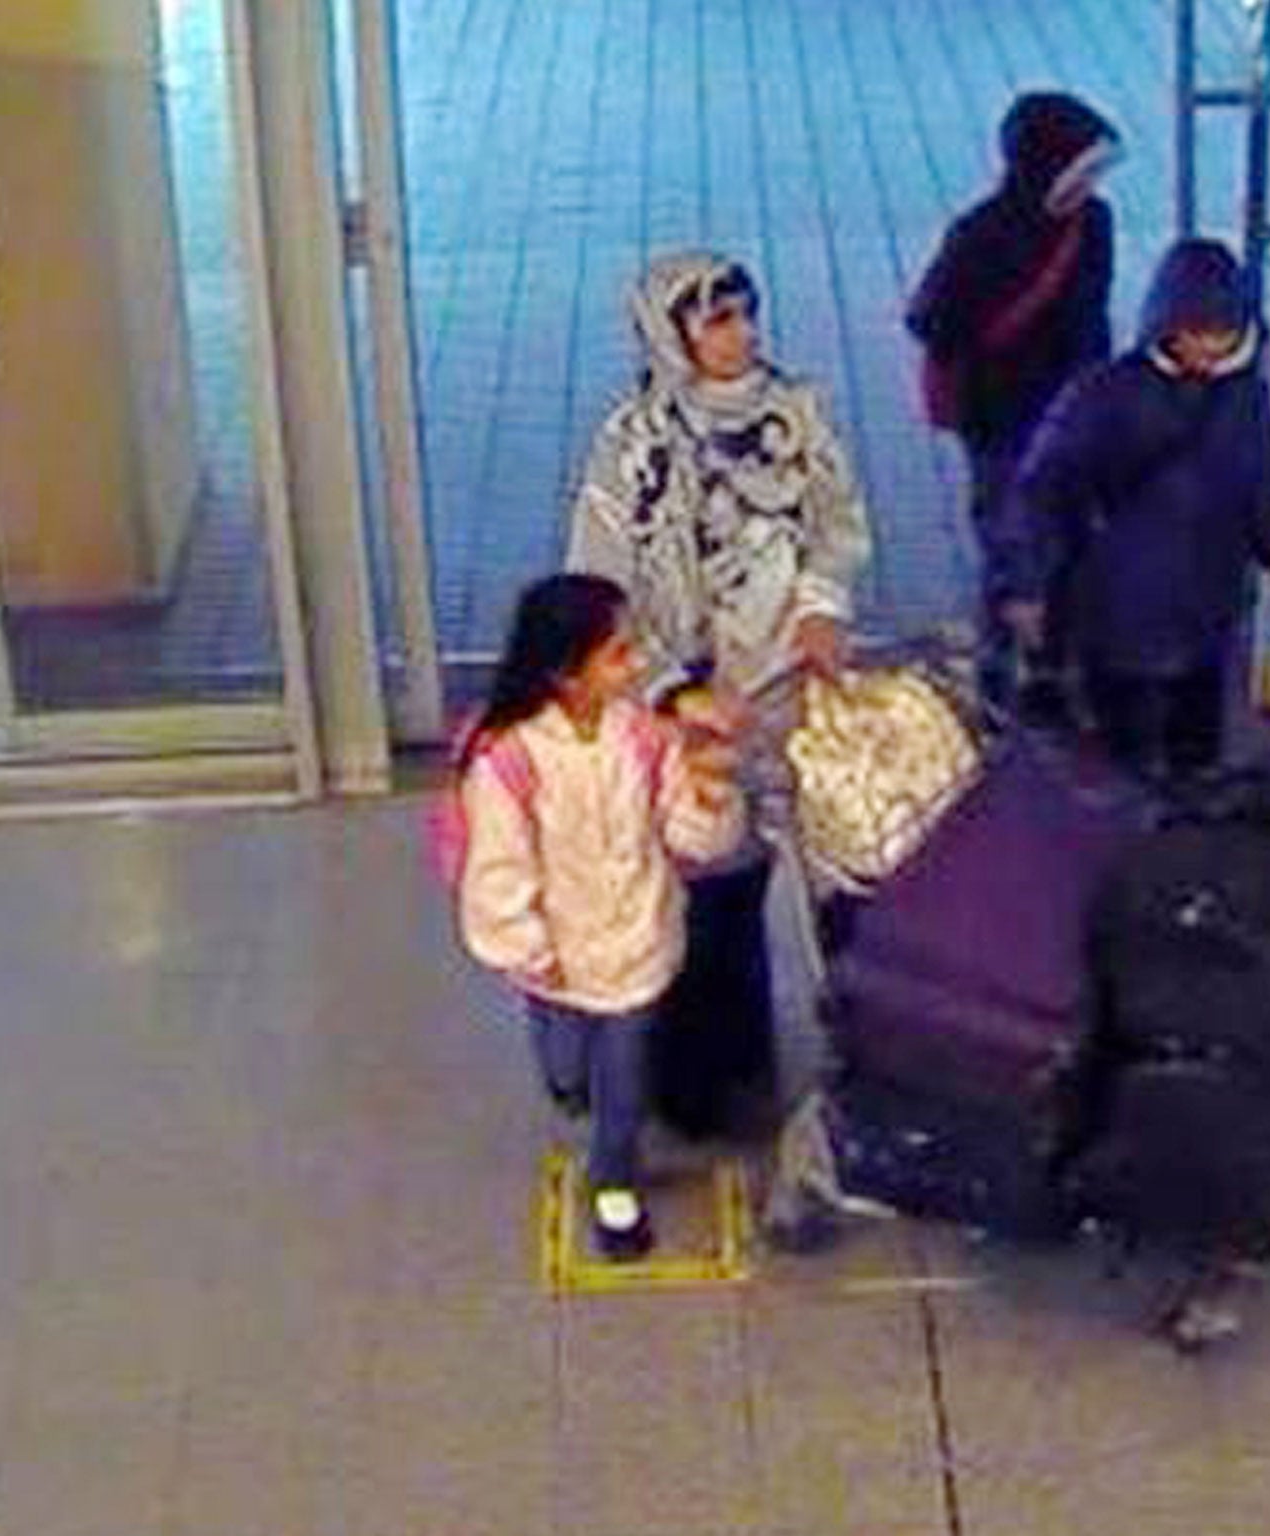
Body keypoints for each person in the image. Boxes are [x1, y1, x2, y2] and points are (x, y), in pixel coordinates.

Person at [565, 251, 873, 1125]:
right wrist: (666, 689)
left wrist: (820, 607)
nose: (741, 335)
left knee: (827, 871)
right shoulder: (632, 443)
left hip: (780, 684)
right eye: (716, 321)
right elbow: (598, 581)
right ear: (674, 335)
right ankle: (702, 1083)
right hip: (687, 712)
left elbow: (837, 523)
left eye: (745, 314)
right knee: (707, 887)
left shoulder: (794, 415)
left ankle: (857, 1061)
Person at [456, 573, 747, 1260]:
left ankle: (614, 1173)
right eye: (618, 653)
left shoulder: (645, 740)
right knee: (566, 1069)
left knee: (625, 1075)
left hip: (638, 944)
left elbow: (691, 837)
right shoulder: (509, 762)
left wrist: (709, 796)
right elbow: (500, 870)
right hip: (557, 956)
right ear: (564, 673)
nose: (639, 664)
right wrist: (528, 948)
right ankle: (571, 1084)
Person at [993, 237, 1270, 783]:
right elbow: (1040, 492)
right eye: (1195, 331)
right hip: (1117, 627)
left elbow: (1261, 508)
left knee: (1195, 771)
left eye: (1222, 332)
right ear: (1165, 323)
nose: (1209, 346)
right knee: (1120, 776)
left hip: (1206, 627)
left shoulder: (1248, 401)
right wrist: (1026, 585)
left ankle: (1181, 854)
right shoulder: (1105, 394)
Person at [906, 91, 1121, 719]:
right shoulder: (980, 235)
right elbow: (934, 319)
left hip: (1071, 414)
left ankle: (1054, 673)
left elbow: (1093, 321)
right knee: (1011, 543)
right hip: (1000, 416)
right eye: (1077, 173)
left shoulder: (1093, 225)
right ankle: (1000, 685)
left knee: (1071, 539)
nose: (1086, 188)